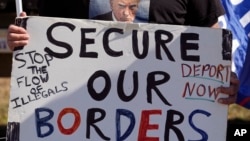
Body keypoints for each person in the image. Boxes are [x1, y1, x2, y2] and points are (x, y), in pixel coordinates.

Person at [7, 0, 240, 105]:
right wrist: (22, 41)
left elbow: (210, 36)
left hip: (167, 123)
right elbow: (47, 40)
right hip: (84, 121)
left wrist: (221, 77)